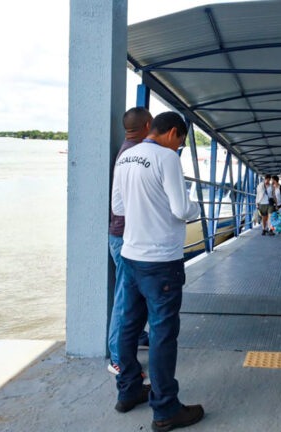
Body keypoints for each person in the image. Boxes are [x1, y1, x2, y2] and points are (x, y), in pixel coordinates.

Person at [111, 111, 205, 430]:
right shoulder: (167, 158)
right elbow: (181, 209)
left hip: (131, 255)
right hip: (161, 260)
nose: (178, 148)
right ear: (174, 133)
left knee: (129, 325)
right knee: (163, 333)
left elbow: (118, 208)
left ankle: (128, 391)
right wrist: (195, 207)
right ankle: (165, 409)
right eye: (180, 142)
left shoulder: (126, 157)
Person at [107, 107, 153, 376]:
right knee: (124, 299)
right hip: (125, 236)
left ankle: (133, 337)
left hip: (122, 234)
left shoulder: (127, 151)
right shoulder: (133, 154)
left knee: (132, 295)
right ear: (147, 125)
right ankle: (118, 357)